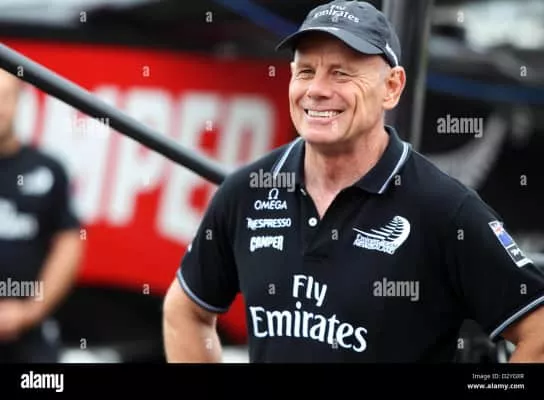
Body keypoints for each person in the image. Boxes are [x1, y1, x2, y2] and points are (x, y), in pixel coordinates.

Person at [162, 0, 544, 362]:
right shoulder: (246, 192)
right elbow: (185, 311)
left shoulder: (444, 209)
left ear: (392, 87)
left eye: (341, 73)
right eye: (305, 71)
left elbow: (538, 332)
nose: (317, 90)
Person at [0, 68, 83, 363]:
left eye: (5, 97)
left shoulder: (47, 170)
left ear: (19, 100)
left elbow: (69, 245)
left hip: (29, 334)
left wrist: (29, 311)